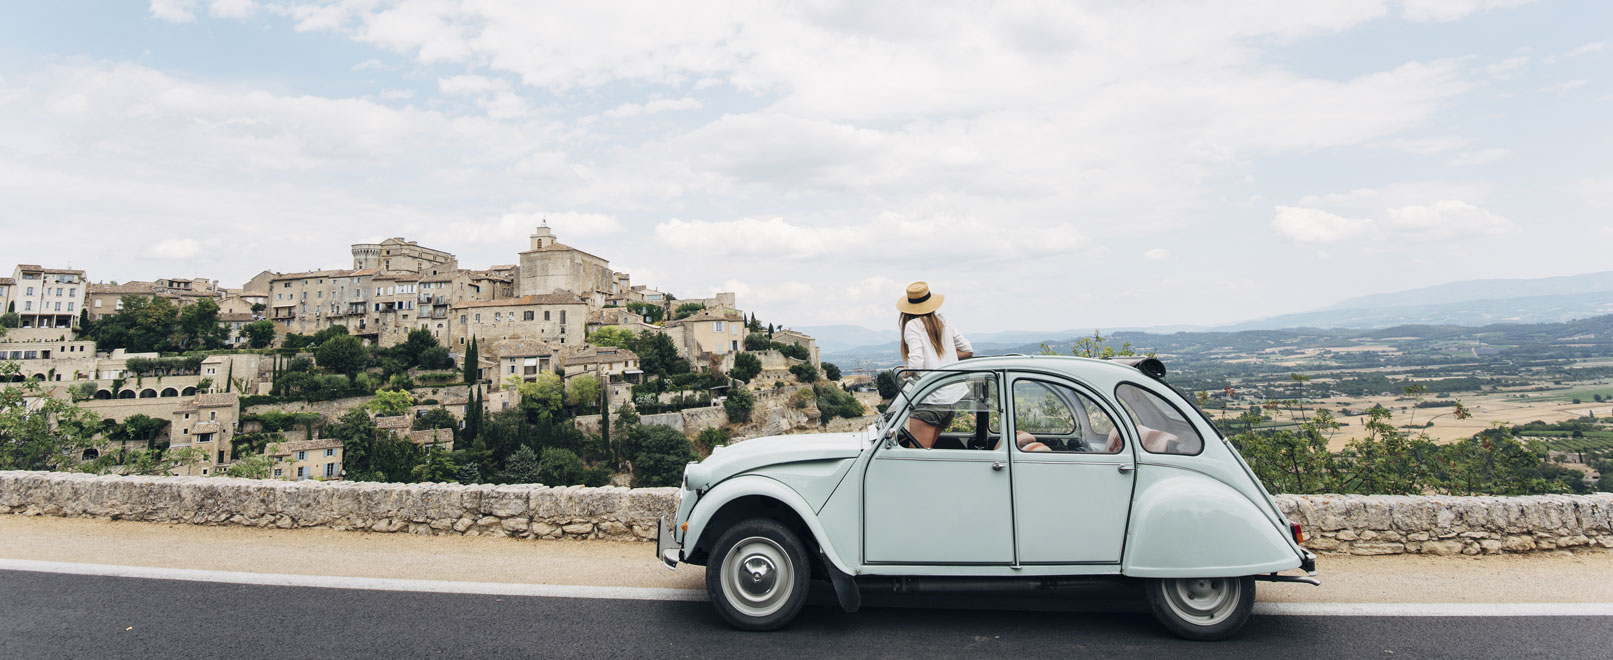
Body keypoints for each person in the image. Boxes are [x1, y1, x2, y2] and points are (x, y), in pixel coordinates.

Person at [898, 282, 974, 448]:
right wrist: (945, 360)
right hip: (950, 399)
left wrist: (905, 372)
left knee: (915, 457)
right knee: (926, 451)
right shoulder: (943, 321)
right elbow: (968, 351)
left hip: (930, 400)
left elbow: (916, 364)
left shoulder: (913, 326)